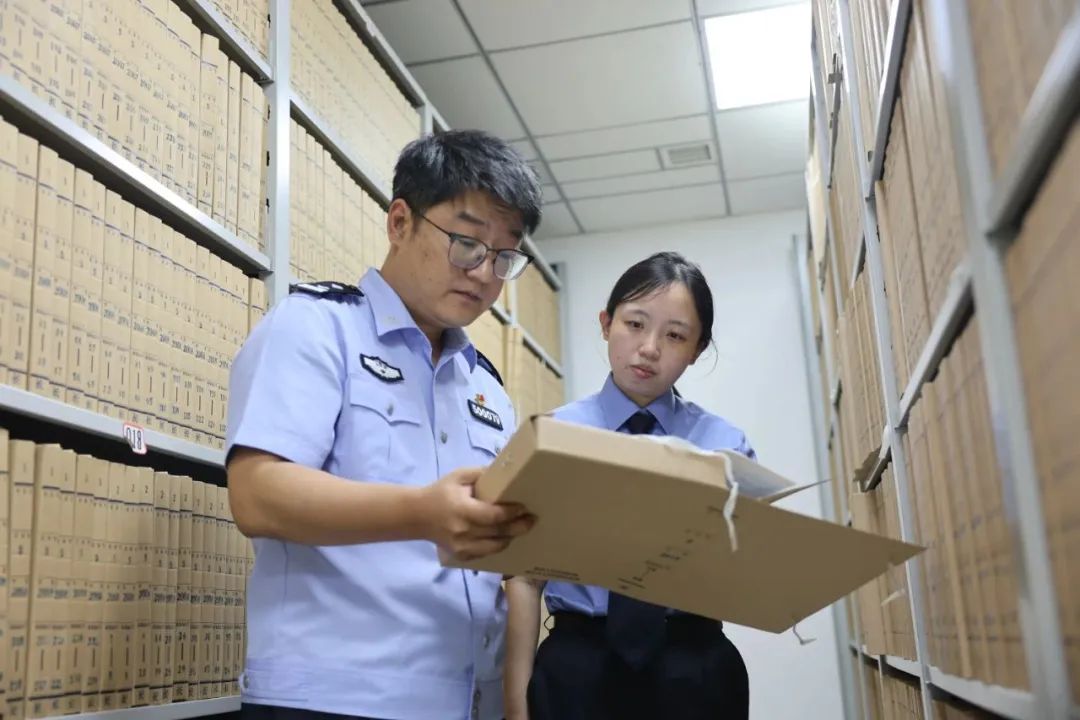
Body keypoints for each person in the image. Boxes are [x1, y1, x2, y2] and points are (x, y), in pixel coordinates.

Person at [224, 129, 542, 720]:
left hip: (469, 702)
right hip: (335, 702)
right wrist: (422, 513)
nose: (483, 274)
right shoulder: (317, 328)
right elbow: (256, 494)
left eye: (504, 257)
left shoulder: (488, 390)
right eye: (467, 244)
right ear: (400, 223)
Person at [503, 251, 755, 720]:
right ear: (606, 324)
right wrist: (516, 706)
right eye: (635, 324)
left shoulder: (725, 446)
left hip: (694, 667)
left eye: (675, 335)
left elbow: (744, 573)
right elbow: (524, 577)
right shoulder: (551, 436)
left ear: (697, 349)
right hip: (577, 669)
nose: (650, 348)